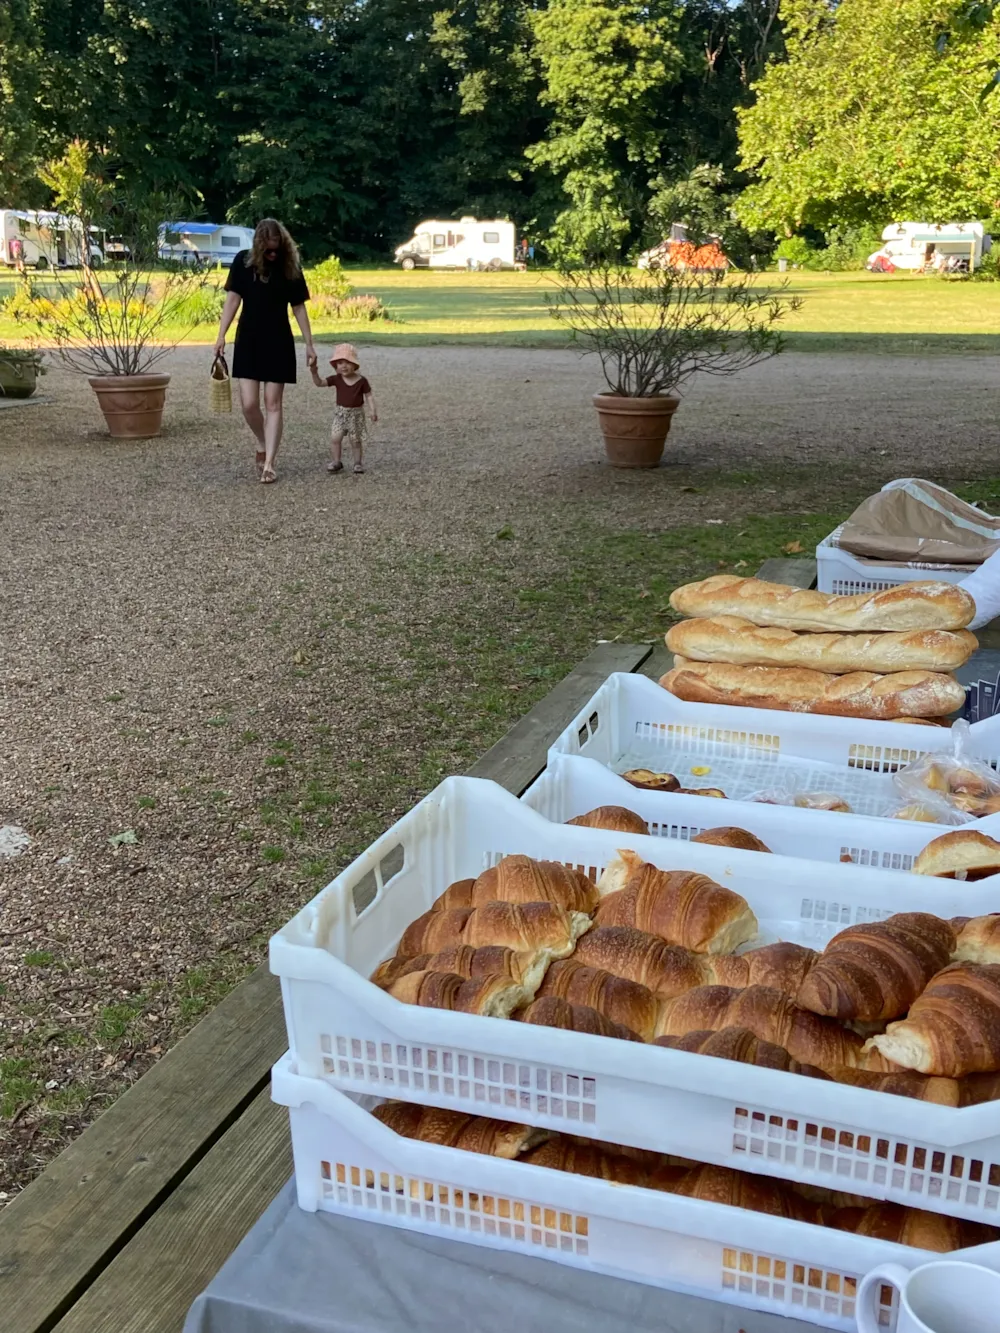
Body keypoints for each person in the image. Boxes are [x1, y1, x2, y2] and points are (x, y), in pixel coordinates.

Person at [213, 218, 316, 484]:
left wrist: (309, 344)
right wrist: (221, 335)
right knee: (248, 404)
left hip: (279, 339)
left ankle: (270, 462)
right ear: (259, 245)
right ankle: (261, 441)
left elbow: (299, 307)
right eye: (269, 250)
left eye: (277, 248)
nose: (273, 254)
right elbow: (233, 299)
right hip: (248, 338)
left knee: (273, 403)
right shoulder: (242, 262)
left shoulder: (289, 266)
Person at [310, 342, 377, 474]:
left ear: (355, 365)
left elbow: (368, 396)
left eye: (347, 362)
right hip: (340, 414)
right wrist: (314, 372)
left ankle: (357, 463)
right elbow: (320, 383)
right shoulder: (337, 379)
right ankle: (336, 461)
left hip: (356, 414)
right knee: (335, 438)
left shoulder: (361, 381)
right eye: (340, 363)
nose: (344, 366)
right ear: (336, 366)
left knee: (355, 440)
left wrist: (372, 410)